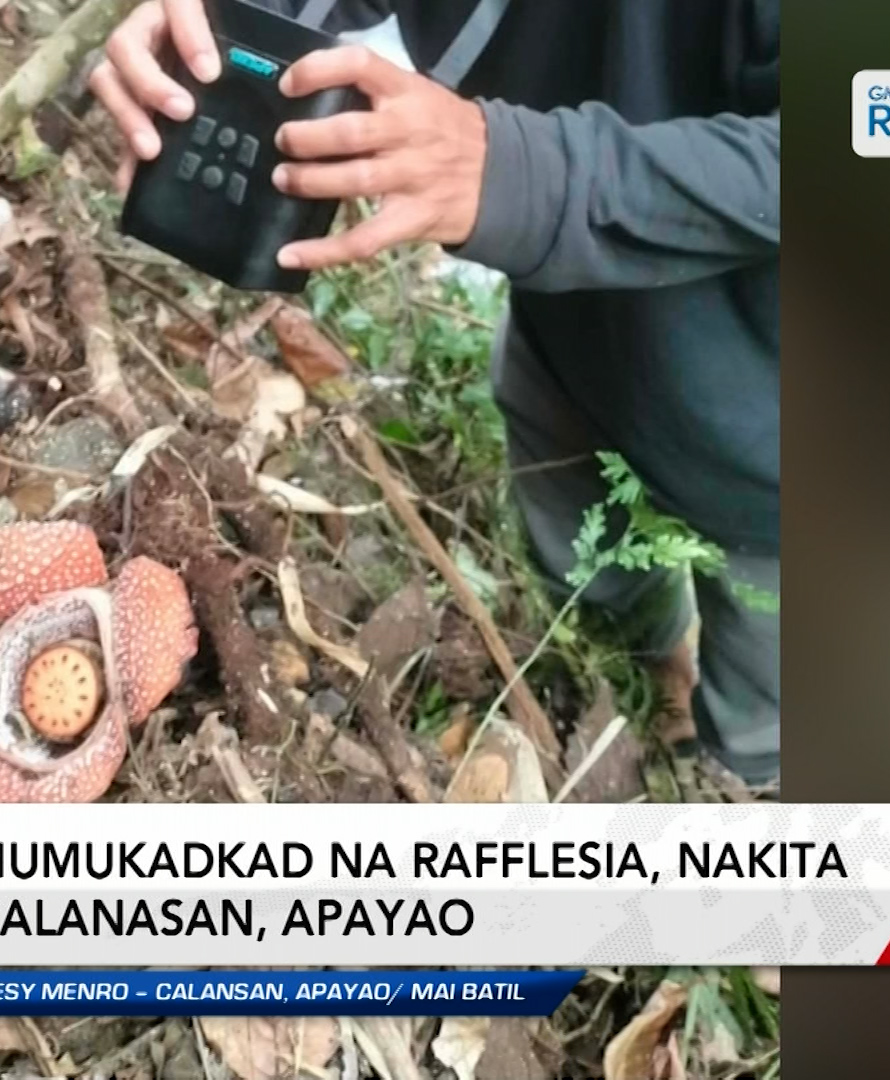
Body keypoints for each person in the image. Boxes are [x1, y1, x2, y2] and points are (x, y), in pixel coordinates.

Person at [89, 0, 780, 789]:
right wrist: (238, 20)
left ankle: (744, 790)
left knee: (767, 697)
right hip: (571, 337)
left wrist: (527, 175)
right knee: (592, 571)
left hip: (777, 441)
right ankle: (652, 675)